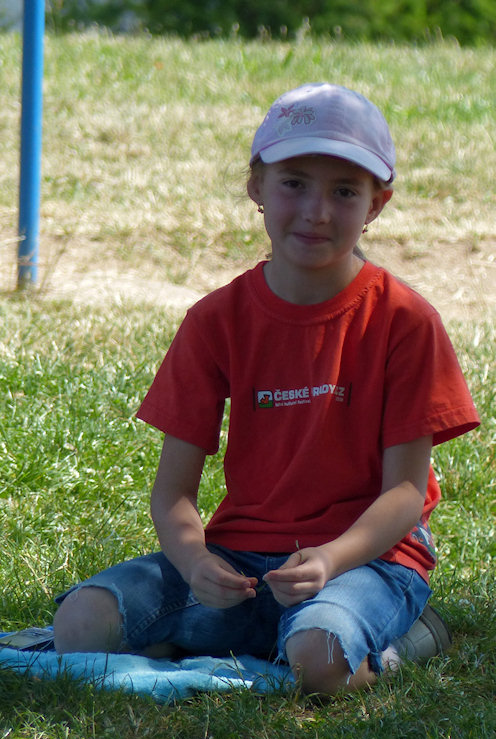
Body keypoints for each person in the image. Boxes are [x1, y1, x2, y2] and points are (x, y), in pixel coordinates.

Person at [53, 83, 480, 695]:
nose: (317, 211)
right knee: (79, 625)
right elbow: (173, 493)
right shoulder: (215, 320)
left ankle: (406, 639)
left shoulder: (406, 321)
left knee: (318, 662)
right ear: (256, 186)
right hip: (242, 563)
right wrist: (196, 563)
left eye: (344, 191)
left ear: (377, 204)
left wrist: (330, 558)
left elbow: (407, 494)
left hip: (368, 559)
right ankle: (246, 634)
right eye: (294, 183)